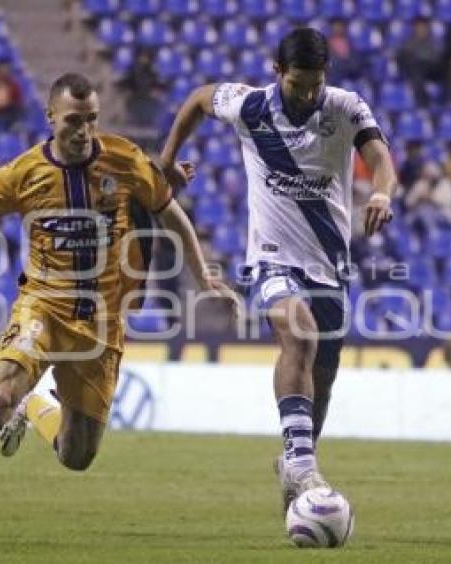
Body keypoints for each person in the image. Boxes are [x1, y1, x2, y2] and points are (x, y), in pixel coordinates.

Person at [0, 72, 233, 538]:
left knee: (76, 456)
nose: (84, 132)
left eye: (92, 120)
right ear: (51, 118)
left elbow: (169, 212)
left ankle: (35, 405)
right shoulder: (21, 173)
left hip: (101, 323)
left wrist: (201, 274)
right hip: (41, 306)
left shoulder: (123, 158)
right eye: (74, 121)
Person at [157, 28, 397, 513]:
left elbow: (379, 156)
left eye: (315, 84)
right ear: (277, 72)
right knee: (299, 335)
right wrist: (165, 160)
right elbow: (200, 99)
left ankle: (296, 457)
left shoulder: (346, 106)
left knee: (322, 379)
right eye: (297, 85)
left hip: (330, 265)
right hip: (272, 256)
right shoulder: (250, 107)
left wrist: (381, 191)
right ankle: (304, 463)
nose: (308, 95)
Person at [397, 16, 441, 106]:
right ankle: (423, 104)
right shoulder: (408, 44)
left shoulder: (433, 43)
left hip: (431, 71)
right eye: (419, 27)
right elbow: (403, 59)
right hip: (416, 71)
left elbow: (436, 60)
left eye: (423, 27)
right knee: (416, 73)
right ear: (415, 28)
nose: (421, 30)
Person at [404, 161, 451, 234]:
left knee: (427, 214)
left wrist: (431, 198)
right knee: (410, 219)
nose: (431, 178)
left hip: (443, 215)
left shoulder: (446, 184)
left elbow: (450, 201)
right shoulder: (420, 184)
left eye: (433, 175)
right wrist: (418, 199)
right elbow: (407, 202)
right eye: (428, 175)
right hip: (420, 216)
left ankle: (432, 235)